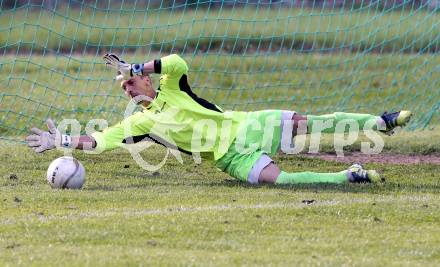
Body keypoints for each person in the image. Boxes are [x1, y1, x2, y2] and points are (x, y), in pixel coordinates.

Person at [25, 54, 412, 185]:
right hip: (232, 159)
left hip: (247, 125)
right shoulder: (139, 123)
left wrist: (132, 63)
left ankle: (380, 122)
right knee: (281, 181)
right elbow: (99, 141)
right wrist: (62, 141)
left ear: (146, 78)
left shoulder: (172, 87)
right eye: (124, 88)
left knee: (309, 121)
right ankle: (351, 175)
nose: (128, 89)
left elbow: (176, 62)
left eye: (132, 82)